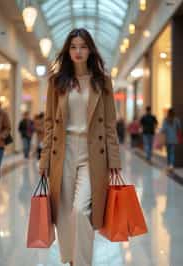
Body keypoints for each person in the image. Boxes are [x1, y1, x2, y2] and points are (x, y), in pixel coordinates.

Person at [39, 28, 121, 266]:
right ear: (67, 50)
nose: (78, 51)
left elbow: (109, 125)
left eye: (83, 46)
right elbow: (49, 124)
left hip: (92, 154)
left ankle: (82, 262)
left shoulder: (103, 82)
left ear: (90, 50)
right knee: (64, 213)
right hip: (62, 153)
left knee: (81, 211)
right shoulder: (57, 82)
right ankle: (71, 260)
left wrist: (114, 161)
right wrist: (44, 160)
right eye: (73, 46)